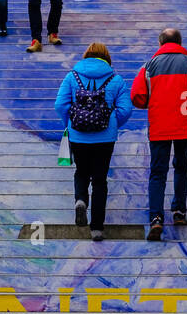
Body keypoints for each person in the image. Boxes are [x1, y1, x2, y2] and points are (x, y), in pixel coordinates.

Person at [131, 27, 187, 241]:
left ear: (161, 44)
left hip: (159, 125)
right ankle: (179, 212)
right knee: (181, 166)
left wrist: (155, 101)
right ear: (179, 42)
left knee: (157, 172)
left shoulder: (148, 66)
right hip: (184, 124)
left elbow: (137, 96)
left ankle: (156, 219)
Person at [54, 42, 134, 242]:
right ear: (106, 58)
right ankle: (97, 228)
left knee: (81, 171)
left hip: (78, 135)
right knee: (100, 180)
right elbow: (126, 109)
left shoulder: (72, 76)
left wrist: (70, 123)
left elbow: (60, 104)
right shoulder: (116, 79)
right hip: (105, 137)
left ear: (86, 56)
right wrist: (113, 123)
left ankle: (81, 200)